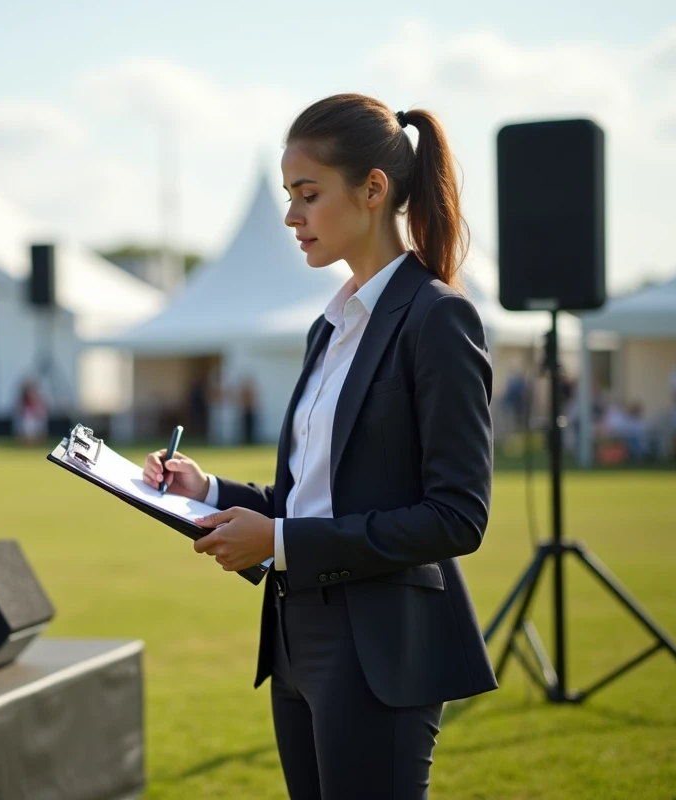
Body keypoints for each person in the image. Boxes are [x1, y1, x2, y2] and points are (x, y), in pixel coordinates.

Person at [142, 94, 497, 798]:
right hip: (293, 637)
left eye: (308, 194)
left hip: (380, 649)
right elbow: (314, 500)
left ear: (373, 190)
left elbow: (458, 516)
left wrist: (280, 543)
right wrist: (207, 492)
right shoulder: (329, 327)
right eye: (288, 195)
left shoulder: (438, 319)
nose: (291, 216)